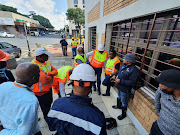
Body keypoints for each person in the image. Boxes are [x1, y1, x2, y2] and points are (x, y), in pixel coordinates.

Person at [46, 64, 107, 135]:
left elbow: (52, 128)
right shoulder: (97, 117)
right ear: (92, 85)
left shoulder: (57, 104)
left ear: (72, 82)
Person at [0, 62, 42, 135]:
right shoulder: (31, 101)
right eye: (39, 73)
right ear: (34, 78)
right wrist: (2, 132)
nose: (40, 75)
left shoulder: (3, 86)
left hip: (6, 127)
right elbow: (24, 133)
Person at [150, 69, 180, 135]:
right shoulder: (163, 90)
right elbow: (157, 98)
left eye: (162, 83)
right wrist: (157, 111)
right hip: (157, 126)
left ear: (173, 86)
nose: (160, 85)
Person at [31, 48, 58, 121]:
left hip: (48, 89)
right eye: (46, 55)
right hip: (40, 91)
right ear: (39, 56)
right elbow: (44, 80)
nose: (48, 57)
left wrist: (48, 74)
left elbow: (56, 71)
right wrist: (51, 75)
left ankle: (48, 116)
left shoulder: (46, 63)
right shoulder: (34, 66)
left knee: (49, 103)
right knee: (44, 107)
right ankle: (48, 120)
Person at [112, 53, 139, 120]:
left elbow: (132, 82)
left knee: (124, 102)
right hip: (119, 86)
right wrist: (115, 75)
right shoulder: (124, 65)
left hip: (125, 89)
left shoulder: (134, 70)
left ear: (129, 61)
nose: (123, 59)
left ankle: (123, 114)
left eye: (125, 58)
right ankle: (118, 106)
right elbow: (119, 72)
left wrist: (120, 81)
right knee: (118, 96)